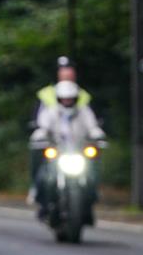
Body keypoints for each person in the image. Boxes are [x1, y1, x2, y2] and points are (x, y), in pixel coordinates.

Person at [29, 79, 105, 223]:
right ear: (58, 99)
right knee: (44, 178)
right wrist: (40, 135)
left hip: (79, 153)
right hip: (58, 154)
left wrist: (97, 134)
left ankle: (89, 206)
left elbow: (92, 126)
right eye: (64, 99)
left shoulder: (84, 112)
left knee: (92, 177)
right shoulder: (51, 112)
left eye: (70, 99)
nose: (67, 102)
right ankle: (44, 206)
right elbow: (43, 128)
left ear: (76, 99)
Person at [27, 56, 94, 204]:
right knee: (37, 156)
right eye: (63, 71)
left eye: (69, 70)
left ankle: (93, 192)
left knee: (93, 162)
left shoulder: (82, 94)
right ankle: (34, 187)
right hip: (54, 143)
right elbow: (38, 117)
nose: (67, 74)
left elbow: (90, 118)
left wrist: (96, 132)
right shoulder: (46, 94)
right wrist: (40, 131)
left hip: (77, 145)